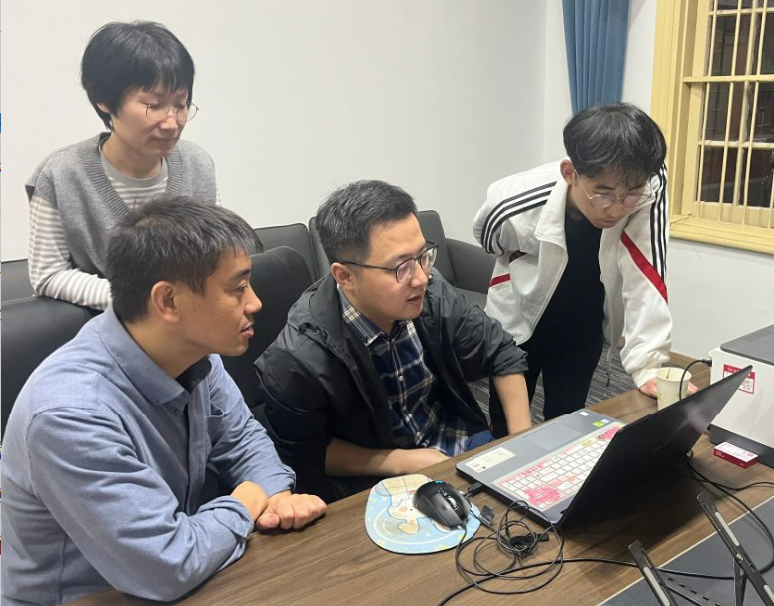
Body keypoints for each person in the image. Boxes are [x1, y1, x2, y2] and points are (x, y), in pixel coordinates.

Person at [1, 197, 326, 606]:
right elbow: (167, 566)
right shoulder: (70, 414)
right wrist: (244, 504)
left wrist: (275, 496)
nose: (255, 303)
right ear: (168, 301)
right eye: (237, 288)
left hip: (189, 574)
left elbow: (243, 440)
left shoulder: (195, 353)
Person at [256, 180, 531, 501]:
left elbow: (502, 353)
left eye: (423, 256)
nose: (421, 277)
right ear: (345, 276)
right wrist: (400, 461)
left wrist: (522, 448)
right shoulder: (296, 359)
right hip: (375, 480)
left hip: (454, 441)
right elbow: (305, 452)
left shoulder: (431, 290)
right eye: (401, 266)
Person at [473, 103, 695, 436]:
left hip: (584, 317)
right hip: (519, 314)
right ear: (569, 173)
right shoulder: (512, 203)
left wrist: (648, 363)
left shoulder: (647, 184)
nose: (616, 210)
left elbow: (647, 268)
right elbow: (489, 241)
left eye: (629, 196)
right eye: (603, 195)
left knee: (568, 420)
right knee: (507, 424)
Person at [26, 21, 218, 310]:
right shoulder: (60, 175)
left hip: (190, 324)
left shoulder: (197, 164)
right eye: (154, 105)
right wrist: (145, 302)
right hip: (107, 326)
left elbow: (218, 252)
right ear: (104, 100)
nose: (172, 122)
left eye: (181, 105)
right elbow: (49, 275)